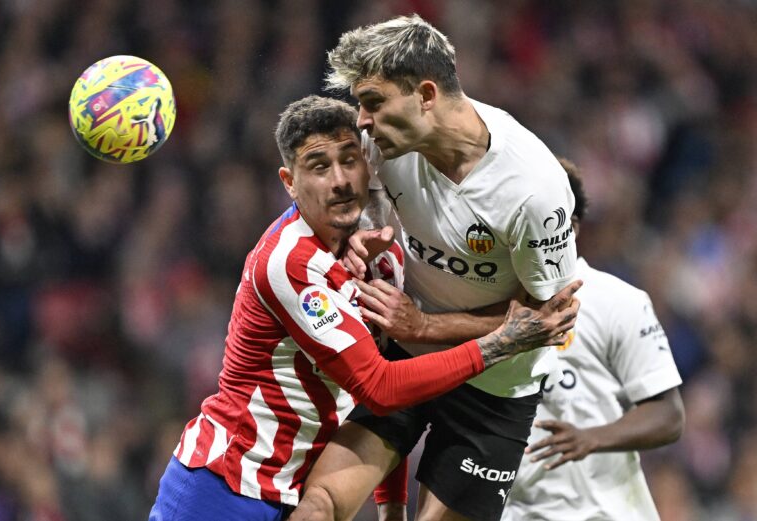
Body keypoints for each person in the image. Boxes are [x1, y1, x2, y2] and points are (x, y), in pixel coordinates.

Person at [147, 95, 580, 521]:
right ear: (289, 182)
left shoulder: (379, 254)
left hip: (293, 490)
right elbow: (380, 387)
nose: (340, 180)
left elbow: (377, 405)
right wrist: (497, 344)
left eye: (349, 160)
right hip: (226, 483)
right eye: (319, 167)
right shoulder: (290, 262)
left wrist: (390, 504)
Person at [291, 14, 580, 521]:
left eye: (374, 102)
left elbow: (550, 320)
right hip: (406, 359)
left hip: (496, 386)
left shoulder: (533, 189)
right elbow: (366, 201)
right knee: (319, 503)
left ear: (425, 94)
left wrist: (427, 324)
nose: (361, 119)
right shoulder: (385, 145)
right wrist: (364, 232)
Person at [500, 159, 685, 521]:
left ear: (572, 227)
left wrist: (591, 438)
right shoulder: (486, 308)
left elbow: (669, 415)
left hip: (604, 513)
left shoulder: (619, 302)